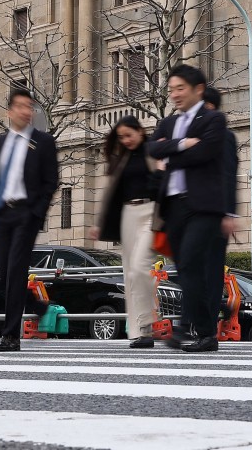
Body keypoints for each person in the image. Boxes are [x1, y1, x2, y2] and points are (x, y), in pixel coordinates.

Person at [147, 64, 229, 352]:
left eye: (180, 88)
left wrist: (169, 154)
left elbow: (205, 153)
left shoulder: (213, 120)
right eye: (171, 89)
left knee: (193, 262)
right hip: (173, 207)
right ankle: (205, 333)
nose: (175, 94)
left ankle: (185, 327)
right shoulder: (169, 123)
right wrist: (182, 144)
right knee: (185, 270)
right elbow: (151, 149)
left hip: (203, 206)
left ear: (198, 90)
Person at [0, 89, 58, 352]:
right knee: (4, 273)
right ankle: (36, 305)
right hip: (3, 213)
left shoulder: (43, 141)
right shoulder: (0, 142)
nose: (26, 111)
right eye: (21, 106)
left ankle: (10, 336)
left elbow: (51, 181)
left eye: (30, 107)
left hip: (26, 213)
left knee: (16, 272)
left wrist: (37, 212)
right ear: (10, 111)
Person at [91, 115, 162, 349]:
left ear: (140, 131)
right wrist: (99, 223)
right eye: (121, 137)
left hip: (151, 213)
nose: (126, 140)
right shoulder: (120, 158)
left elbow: (164, 182)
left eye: (129, 135)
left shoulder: (153, 151)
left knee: (141, 268)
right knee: (131, 275)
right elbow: (111, 195)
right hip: (128, 216)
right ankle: (140, 332)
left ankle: (150, 316)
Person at [201, 87, 241, 318]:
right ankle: (213, 308)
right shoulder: (192, 133)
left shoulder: (225, 137)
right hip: (195, 211)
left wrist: (229, 213)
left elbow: (229, 174)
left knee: (212, 266)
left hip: (216, 212)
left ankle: (212, 312)